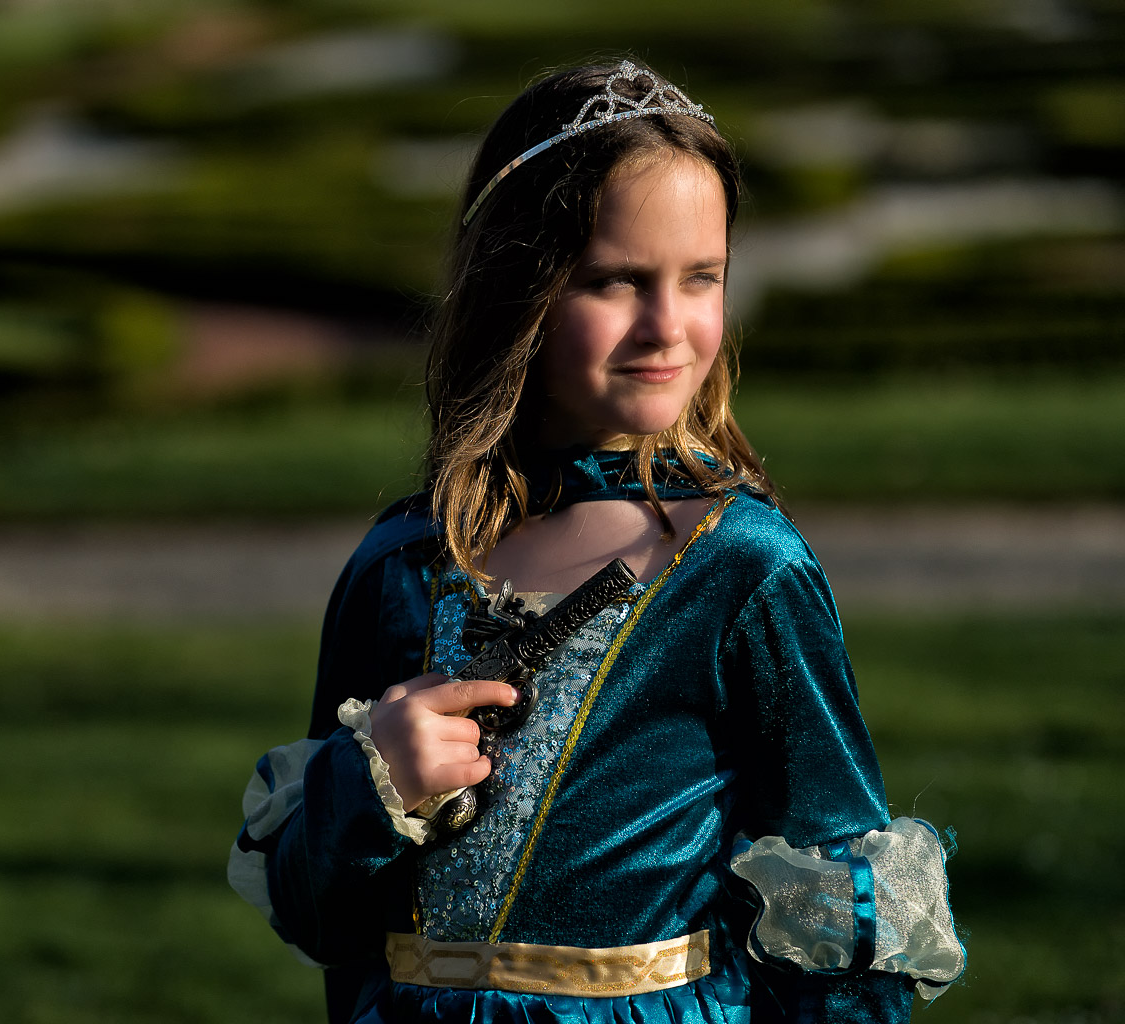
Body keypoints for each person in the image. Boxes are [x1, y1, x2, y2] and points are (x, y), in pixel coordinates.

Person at [230, 58, 965, 1023]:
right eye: (615, 281)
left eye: (701, 278)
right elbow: (319, 918)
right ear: (516, 288)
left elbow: (836, 907)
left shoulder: (744, 566)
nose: (667, 327)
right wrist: (373, 790)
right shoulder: (403, 563)